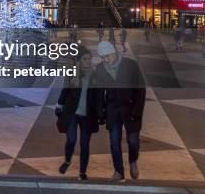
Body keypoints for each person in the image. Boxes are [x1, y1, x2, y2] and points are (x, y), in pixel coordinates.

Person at [93, 41, 146, 182]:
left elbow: (141, 89)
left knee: (133, 140)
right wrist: (100, 112)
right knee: (114, 141)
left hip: (131, 108)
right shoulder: (100, 69)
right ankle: (119, 171)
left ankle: (133, 161)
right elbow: (98, 92)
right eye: (102, 57)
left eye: (107, 56)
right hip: (112, 109)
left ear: (114, 53)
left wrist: (138, 111)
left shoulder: (130, 65)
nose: (105, 59)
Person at [56, 46, 99, 180]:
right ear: (79, 60)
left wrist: (101, 112)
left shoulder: (95, 76)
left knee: (85, 145)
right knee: (71, 139)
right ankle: (68, 160)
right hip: (72, 113)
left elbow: (99, 96)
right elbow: (65, 91)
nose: (88, 61)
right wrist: (59, 105)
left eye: (90, 59)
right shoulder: (72, 74)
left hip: (88, 115)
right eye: (85, 59)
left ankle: (82, 172)